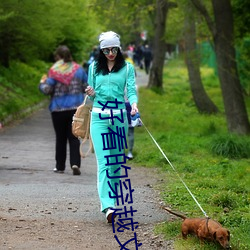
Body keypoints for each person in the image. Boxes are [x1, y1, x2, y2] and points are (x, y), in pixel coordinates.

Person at [85, 31, 138, 223]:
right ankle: (107, 206)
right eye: (106, 50)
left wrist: (133, 104)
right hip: (99, 118)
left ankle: (113, 200)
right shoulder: (94, 68)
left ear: (119, 48)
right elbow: (91, 96)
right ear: (101, 50)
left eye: (114, 49)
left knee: (115, 162)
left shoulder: (127, 68)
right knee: (104, 162)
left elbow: (131, 90)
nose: (110, 53)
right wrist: (90, 92)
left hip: (118, 118)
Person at [39, 45, 88, 175]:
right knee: (74, 137)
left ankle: (60, 166)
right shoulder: (79, 70)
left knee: (60, 138)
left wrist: (42, 83)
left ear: (58, 57)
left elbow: (47, 90)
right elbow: (86, 87)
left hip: (58, 109)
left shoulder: (54, 71)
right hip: (75, 109)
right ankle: (75, 163)